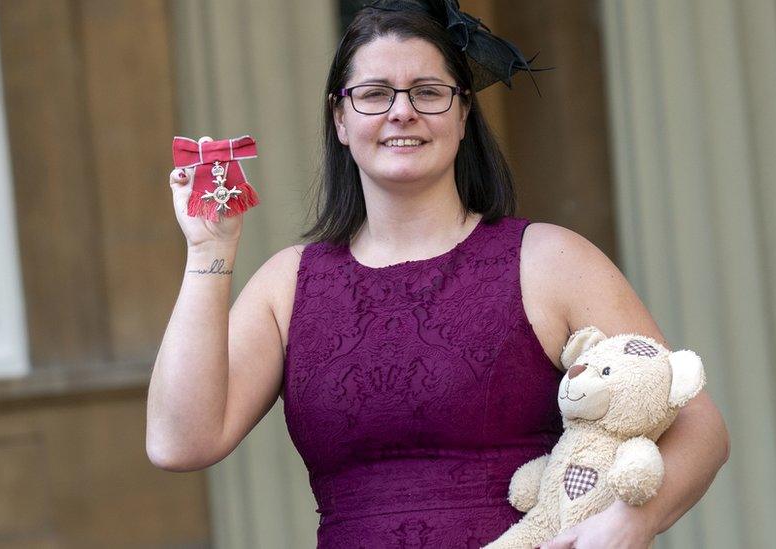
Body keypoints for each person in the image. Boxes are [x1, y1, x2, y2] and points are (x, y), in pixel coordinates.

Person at [147, 1, 729, 547]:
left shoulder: (550, 260)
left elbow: (699, 425)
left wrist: (635, 520)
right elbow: (180, 441)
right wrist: (208, 249)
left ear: (464, 111)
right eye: (374, 94)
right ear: (340, 119)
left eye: (428, 92)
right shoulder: (288, 284)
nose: (402, 110)